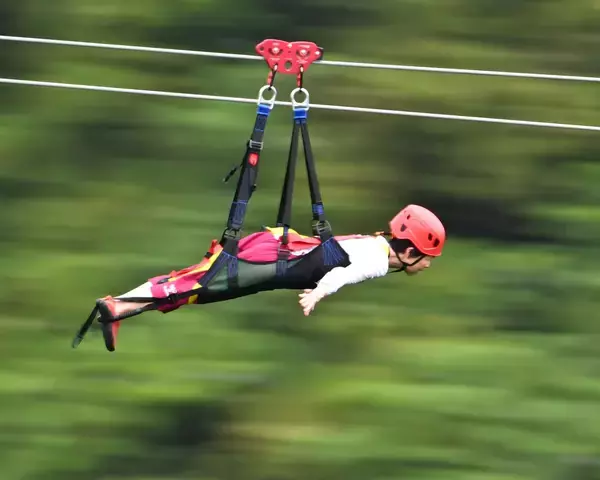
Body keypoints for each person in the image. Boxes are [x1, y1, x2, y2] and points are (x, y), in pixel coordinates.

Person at [89, 204, 445, 352]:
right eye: (427, 258)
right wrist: (318, 294)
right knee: (196, 287)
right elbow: (345, 272)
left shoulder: (374, 242)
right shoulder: (378, 260)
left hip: (276, 251)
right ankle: (116, 306)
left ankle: (118, 308)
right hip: (270, 261)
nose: (427, 265)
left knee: (192, 282)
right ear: (409, 252)